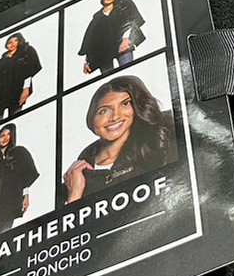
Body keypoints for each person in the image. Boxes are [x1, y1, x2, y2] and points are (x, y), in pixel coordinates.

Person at [62, 74, 177, 204]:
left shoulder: (161, 143)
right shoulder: (76, 175)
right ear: (92, 119)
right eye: (104, 111)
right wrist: (74, 195)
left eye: (125, 104)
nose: (115, 117)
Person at [78, 0, 146, 75]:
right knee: (109, 78)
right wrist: (87, 61)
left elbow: (132, 20)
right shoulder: (97, 17)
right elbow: (91, 40)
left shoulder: (123, 5)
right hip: (104, 52)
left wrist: (126, 40)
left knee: (127, 73)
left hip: (122, 45)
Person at [0, 32, 42, 124]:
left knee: (15, 119)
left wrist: (26, 88)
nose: (12, 44)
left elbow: (28, 70)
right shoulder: (1, 62)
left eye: (15, 41)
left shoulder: (27, 52)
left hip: (15, 92)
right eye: (10, 42)